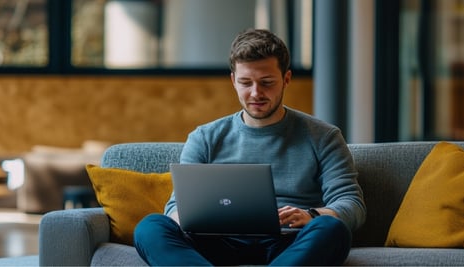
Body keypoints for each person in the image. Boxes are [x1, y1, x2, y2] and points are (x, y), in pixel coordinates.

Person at [132, 28, 367, 266]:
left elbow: (351, 204)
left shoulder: (324, 136)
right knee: (150, 227)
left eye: (267, 83)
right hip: (217, 243)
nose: (256, 93)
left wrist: (312, 215)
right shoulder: (204, 137)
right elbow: (176, 207)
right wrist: (191, 217)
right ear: (233, 80)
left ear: (286, 79)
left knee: (331, 229)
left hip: (289, 243)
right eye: (246, 82)